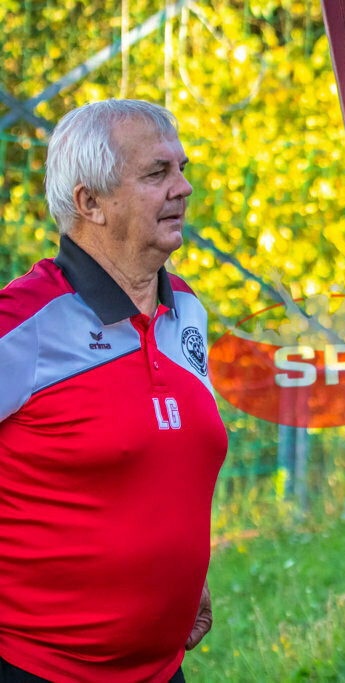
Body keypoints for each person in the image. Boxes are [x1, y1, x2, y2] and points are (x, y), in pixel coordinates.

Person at [0, 100, 226, 682]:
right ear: (89, 203)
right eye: (157, 174)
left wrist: (178, 576)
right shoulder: (23, 322)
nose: (185, 187)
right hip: (39, 668)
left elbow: (166, 460)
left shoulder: (189, 310)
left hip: (160, 667)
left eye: (181, 168)